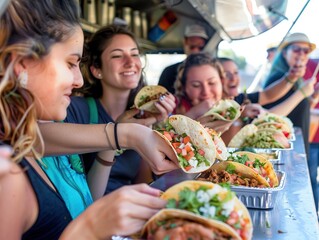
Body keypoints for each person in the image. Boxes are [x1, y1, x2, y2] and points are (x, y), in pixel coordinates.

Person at [0, 0, 178, 239]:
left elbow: (35, 138)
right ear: (22, 62)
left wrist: (129, 134)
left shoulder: (24, 137)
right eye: (70, 63)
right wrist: (89, 228)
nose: (78, 81)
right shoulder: (7, 175)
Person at [63, 24, 175, 196]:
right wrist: (117, 135)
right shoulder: (75, 110)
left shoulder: (143, 116)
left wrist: (158, 131)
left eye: (135, 54)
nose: (130, 63)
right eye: (117, 56)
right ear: (96, 69)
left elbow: (142, 184)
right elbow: (88, 196)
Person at [219, 57, 315, 116]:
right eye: (226, 74)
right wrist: (238, 115)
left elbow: (267, 95)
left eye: (236, 72)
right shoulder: (215, 109)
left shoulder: (239, 98)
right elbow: (270, 115)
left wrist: (291, 77)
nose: (233, 78)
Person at [158, 23, 208, 94]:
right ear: (185, 42)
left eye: (200, 48)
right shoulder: (169, 72)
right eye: (192, 47)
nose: (196, 51)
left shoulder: (209, 73)